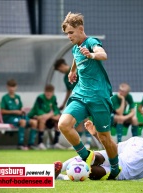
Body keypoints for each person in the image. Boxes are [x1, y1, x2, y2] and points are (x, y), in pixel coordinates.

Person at [59, 12, 121, 179]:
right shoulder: (75, 47)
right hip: (80, 94)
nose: (69, 36)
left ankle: (115, 168)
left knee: (104, 138)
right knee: (63, 124)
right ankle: (87, 156)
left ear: (81, 29)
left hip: (99, 97)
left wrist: (91, 54)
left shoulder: (91, 42)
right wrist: (72, 72)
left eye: (71, 32)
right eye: (67, 33)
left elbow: (103, 54)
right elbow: (76, 57)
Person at [54, 117, 143, 181]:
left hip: (122, 172)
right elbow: (111, 148)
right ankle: (52, 172)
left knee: (90, 171)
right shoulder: (135, 140)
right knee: (88, 156)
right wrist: (95, 134)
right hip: (116, 159)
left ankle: (62, 177)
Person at [54, 58, 92, 149]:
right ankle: (79, 144)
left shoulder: (77, 70)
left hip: (86, 97)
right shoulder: (65, 78)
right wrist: (64, 103)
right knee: (77, 119)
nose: (60, 72)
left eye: (59, 70)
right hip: (77, 99)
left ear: (62, 66)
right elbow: (69, 91)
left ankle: (88, 142)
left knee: (86, 119)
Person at [0, 79, 38, 150]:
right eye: (10, 87)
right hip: (9, 118)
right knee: (22, 122)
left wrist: (21, 111)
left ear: (16, 87)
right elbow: (2, 111)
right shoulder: (4, 98)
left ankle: (31, 144)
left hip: (19, 117)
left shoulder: (18, 97)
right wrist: (14, 112)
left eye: (13, 87)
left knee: (34, 122)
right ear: (7, 87)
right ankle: (20, 144)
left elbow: (20, 108)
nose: (12, 89)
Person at [28, 84, 64, 150]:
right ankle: (40, 143)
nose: (48, 94)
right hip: (35, 117)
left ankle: (56, 143)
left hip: (49, 117)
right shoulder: (40, 98)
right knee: (42, 118)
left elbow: (56, 110)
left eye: (50, 92)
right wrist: (50, 115)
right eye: (47, 92)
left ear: (53, 92)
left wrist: (51, 115)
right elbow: (38, 111)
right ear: (44, 91)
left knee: (59, 119)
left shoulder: (54, 98)